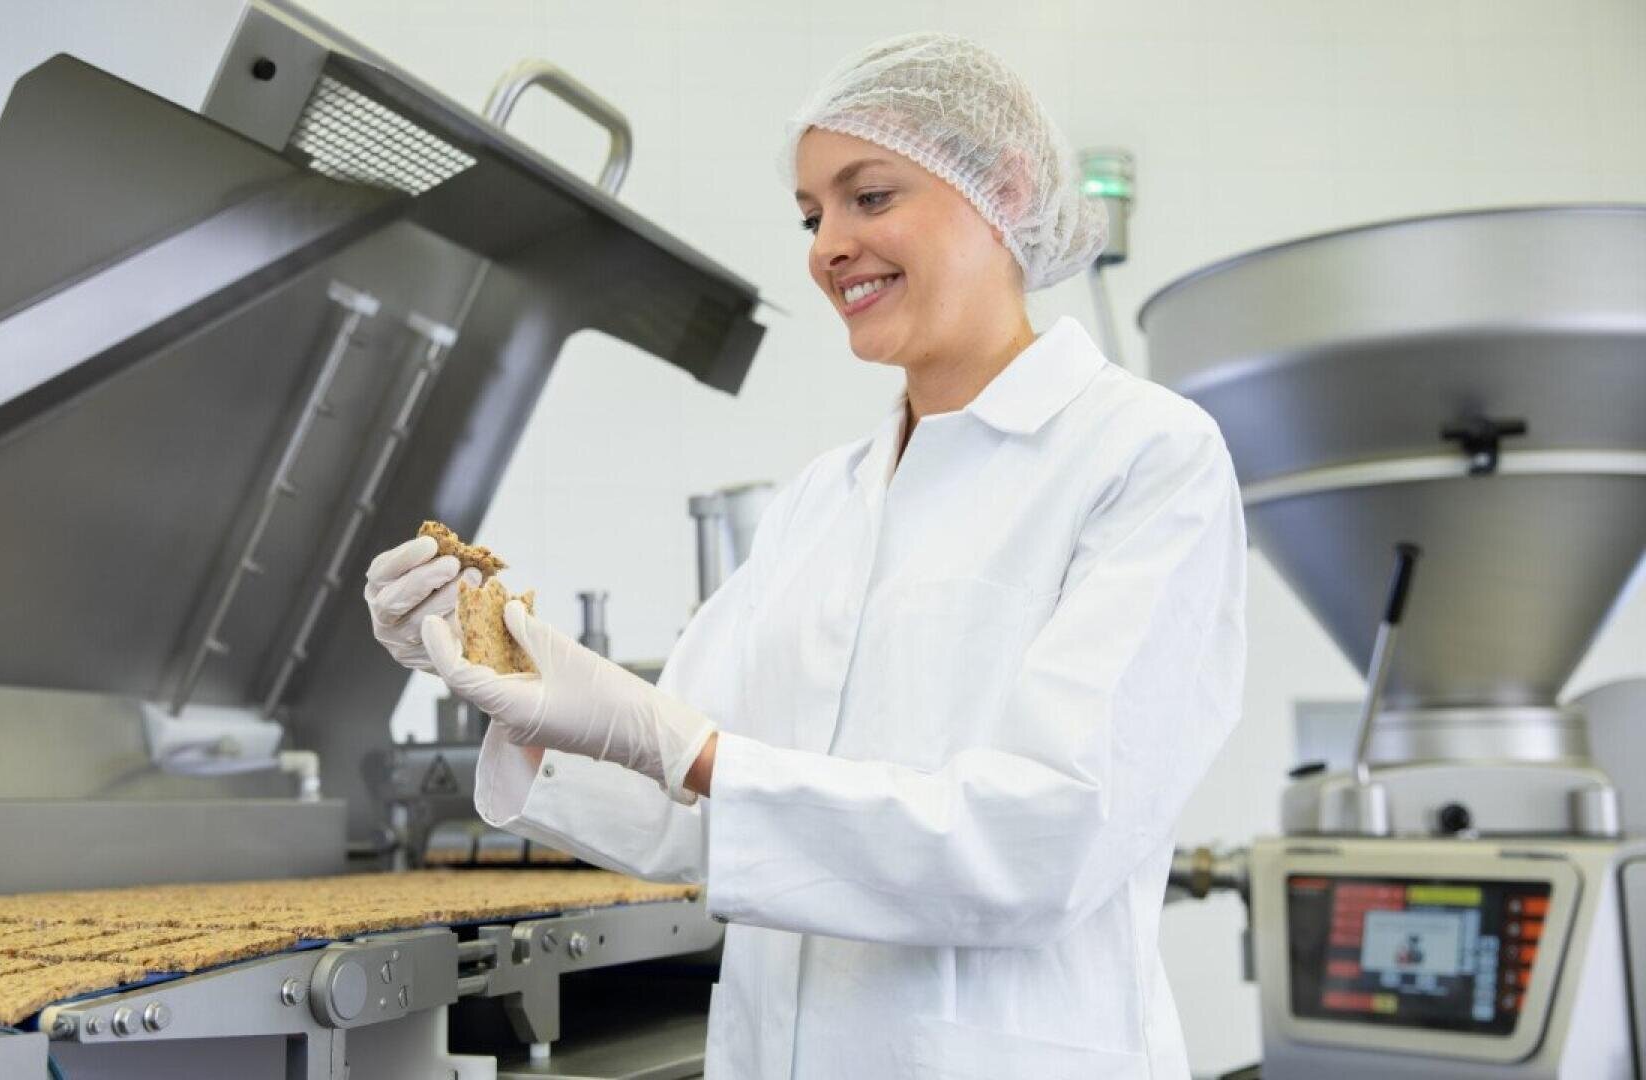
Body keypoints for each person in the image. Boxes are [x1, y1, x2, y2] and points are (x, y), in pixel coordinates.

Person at [365, 30, 1246, 1080]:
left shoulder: (1142, 457)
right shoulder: (823, 501)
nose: (827, 245)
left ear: (1004, 187)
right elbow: (683, 813)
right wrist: (502, 679)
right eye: (811, 214)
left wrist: (686, 747)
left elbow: (1041, 843)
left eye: (869, 197)